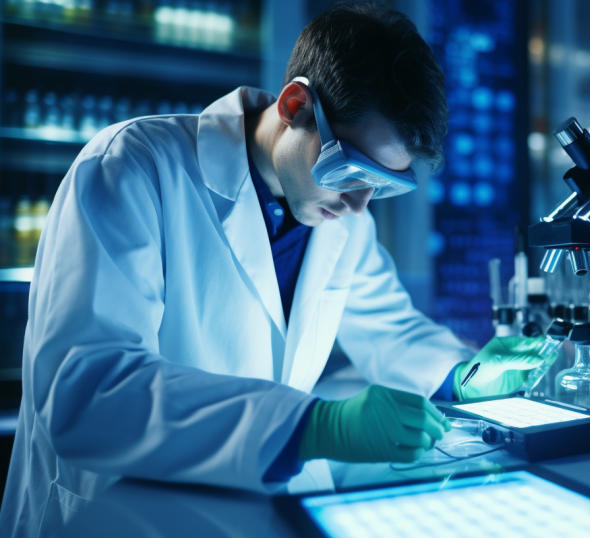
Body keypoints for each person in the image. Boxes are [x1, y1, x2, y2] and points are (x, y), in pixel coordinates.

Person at [0, 4, 548, 536]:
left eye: (383, 185)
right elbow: (88, 392)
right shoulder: (133, 167)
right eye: (352, 168)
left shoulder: (344, 218)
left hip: (255, 507)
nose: (360, 204)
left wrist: (465, 376)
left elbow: (391, 332)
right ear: (294, 106)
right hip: (120, 510)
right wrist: (312, 426)